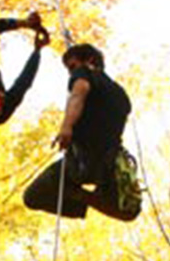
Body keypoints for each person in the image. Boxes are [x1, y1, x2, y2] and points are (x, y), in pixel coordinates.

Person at [23, 44, 142, 221]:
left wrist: (66, 127)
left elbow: (78, 94)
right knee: (129, 212)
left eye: (72, 67)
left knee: (32, 197)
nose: (71, 74)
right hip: (106, 164)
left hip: (81, 161)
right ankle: (81, 196)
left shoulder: (84, 73)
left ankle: (76, 194)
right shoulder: (121, 94)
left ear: (90, 61)